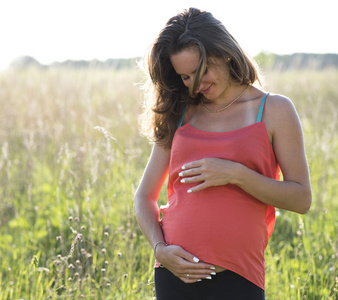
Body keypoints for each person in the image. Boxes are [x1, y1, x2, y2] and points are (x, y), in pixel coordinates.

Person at [133, 8, 312, 300]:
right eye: (185, 76)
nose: (195, 84)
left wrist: (235, 174)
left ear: (225, 53)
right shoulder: (180, 112)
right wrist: (160, 250)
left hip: (239, 274)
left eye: (201, 71)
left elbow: (301, 198)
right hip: (175, 273)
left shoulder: (275, 110)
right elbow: (144, 197)